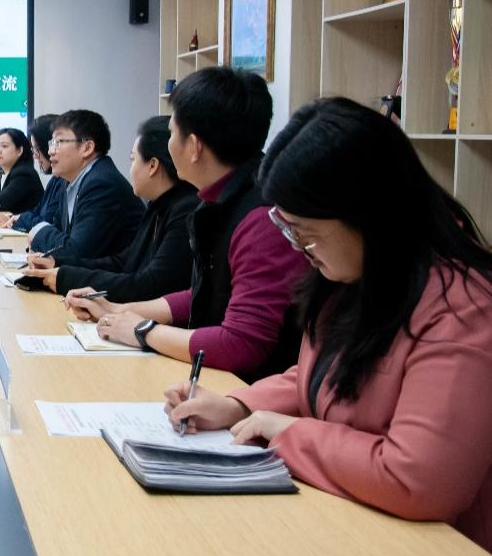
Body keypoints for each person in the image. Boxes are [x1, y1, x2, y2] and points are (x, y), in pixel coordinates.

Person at [164, 98, 492, 556]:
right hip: (364, 528)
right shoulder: (359, 275)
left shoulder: (472, 310)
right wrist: (239, 406)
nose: (301, 250)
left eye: (307, 234)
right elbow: (323, 374)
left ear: (368, 215)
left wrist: (290, 434)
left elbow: (417, 479)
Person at [65, 67, 306, 381]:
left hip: (243, 391)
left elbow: (243, 344)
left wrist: (143, 330)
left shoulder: (261, 217)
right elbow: (204, 294)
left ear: (194, 147)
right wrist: (119, 310)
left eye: (172, 133)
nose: (167, 144)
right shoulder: (221, 196)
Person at [21, 115, 195, 297]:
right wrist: (57, 263)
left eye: (133, 159)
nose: (50, 151)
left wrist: (65, 277)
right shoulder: (158, 207)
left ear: (152, 166)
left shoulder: (184, 210)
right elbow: (124, 262)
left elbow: (150, 284)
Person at [24, 109, 144, 259]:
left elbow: (76, 253)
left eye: (58, 142)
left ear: (87, 148)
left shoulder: (102, 184)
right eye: (51, 143)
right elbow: (59, 233)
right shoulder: (69, 181)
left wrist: (39, 231)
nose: (50, 151)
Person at [0, 114, 63, 232]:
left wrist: (13, 219)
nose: (35, 155)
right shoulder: (56, 179)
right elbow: (37, 212)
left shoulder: (24, 174)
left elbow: (46, 223)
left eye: (37, 149)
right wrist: (11, 219)